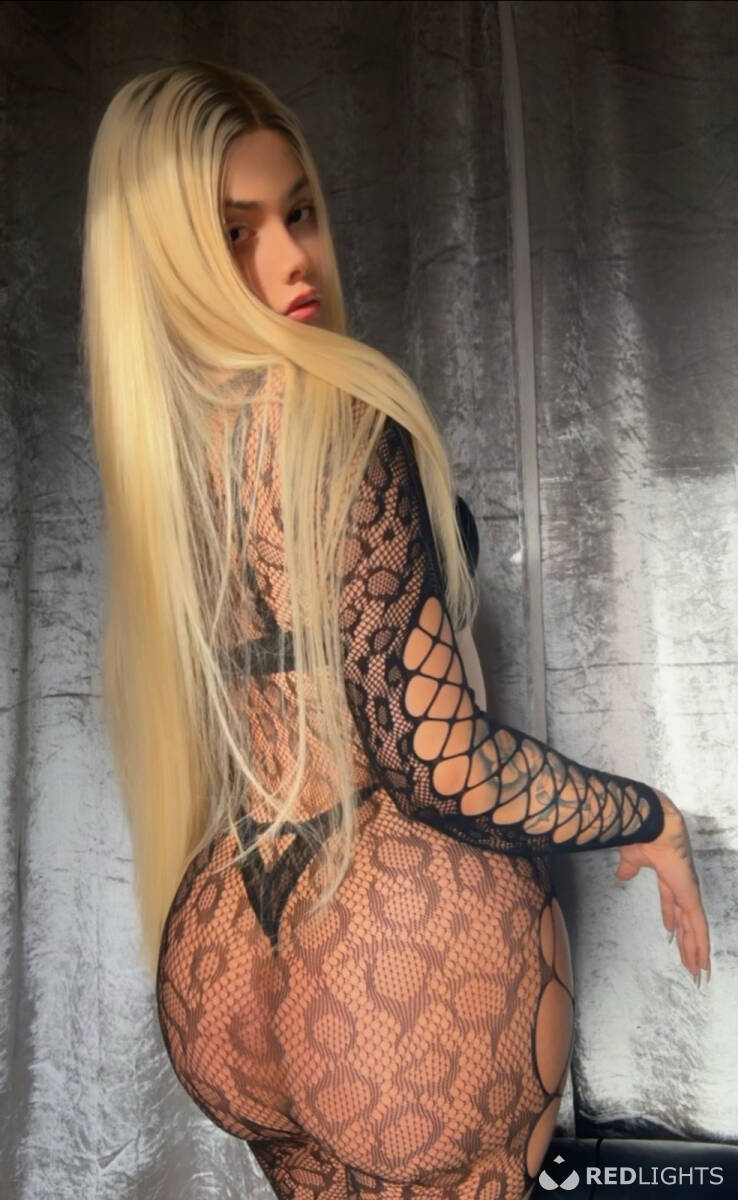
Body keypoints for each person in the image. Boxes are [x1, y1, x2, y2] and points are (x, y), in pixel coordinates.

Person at [80, 60, 711, 1200]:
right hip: (392, 925)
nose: (291, 260)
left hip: (222, 944)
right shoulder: (336, 411)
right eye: (234, 234)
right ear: (168, 257)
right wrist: (649, 815)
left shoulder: (167, 452)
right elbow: (438, 762)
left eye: (299, 214)